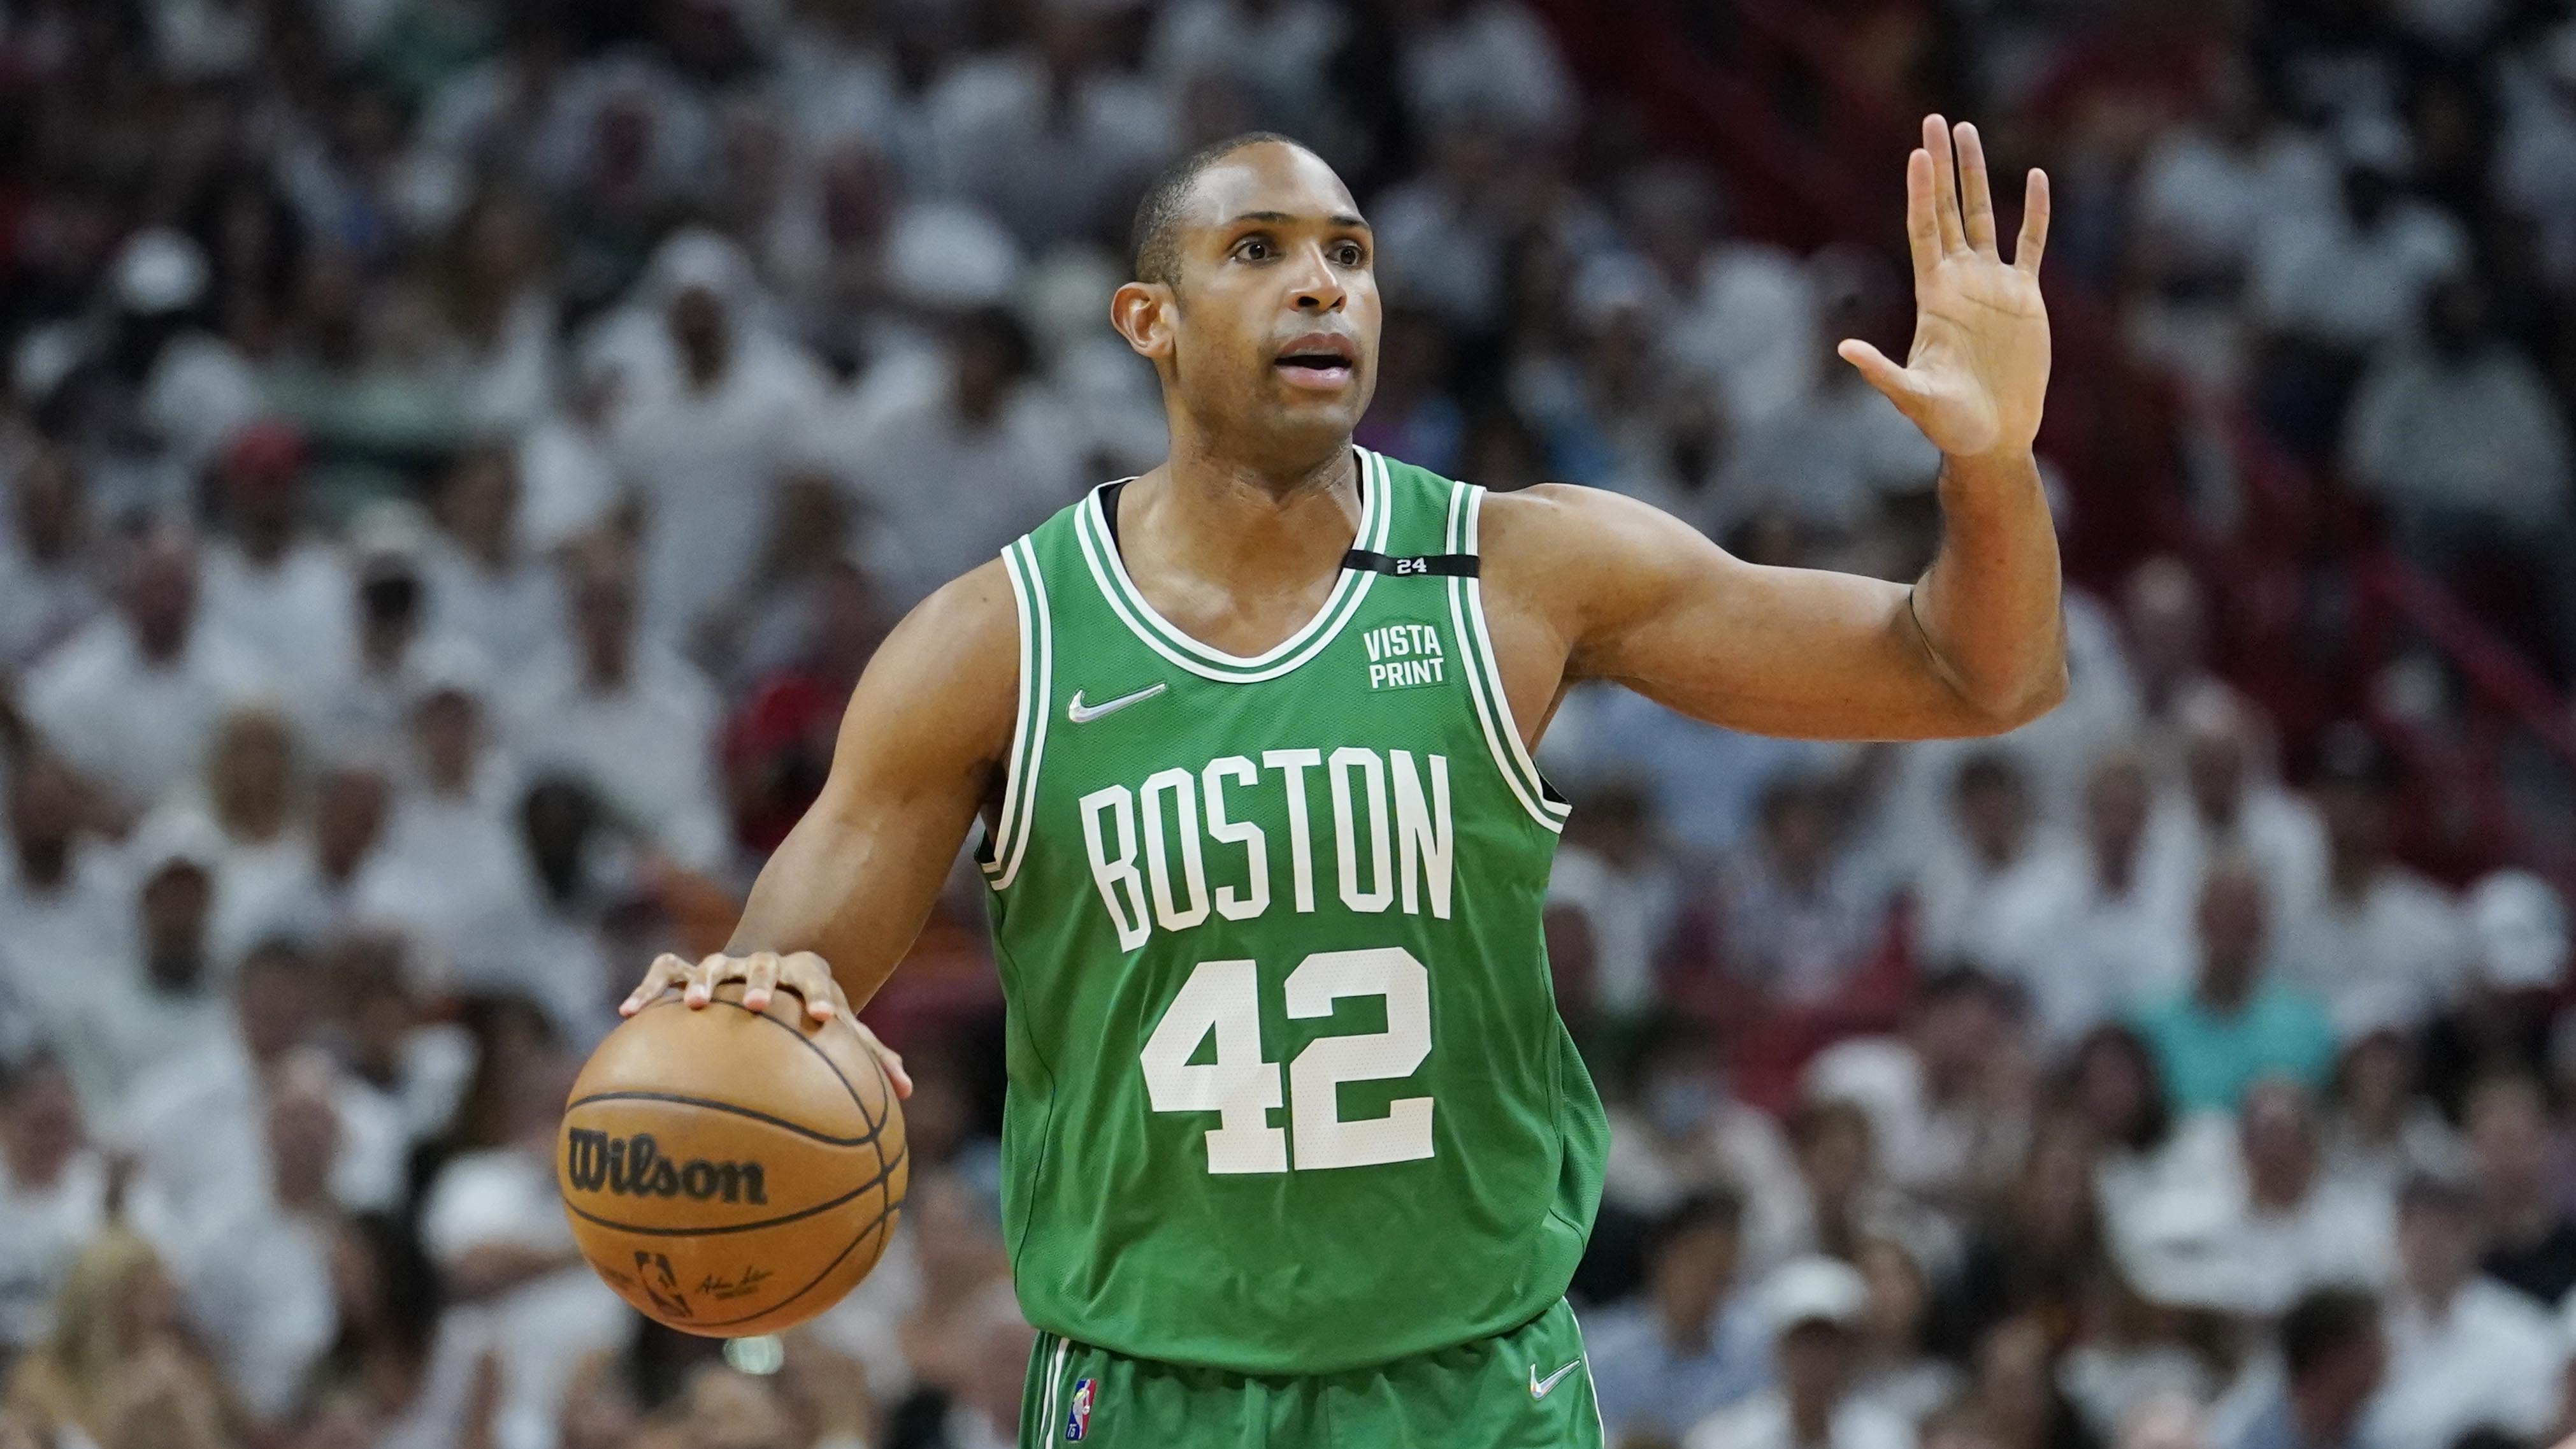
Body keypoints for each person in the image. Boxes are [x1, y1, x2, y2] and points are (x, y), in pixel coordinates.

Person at [622, 124, 2066, 1446]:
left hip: (1472, 1379)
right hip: (1145, 1386)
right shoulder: (998, 641)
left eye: (1349, 256)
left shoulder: (1516, 569)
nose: (1320, 287)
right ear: (1149, 322)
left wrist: (1990, 467)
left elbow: (1970, 673)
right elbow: (781, 978)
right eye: (1258, 250)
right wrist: (736, 1015)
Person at [2363, 1175, 2566, 1449]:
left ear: (2473, 1236)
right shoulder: (2368, 1335)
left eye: (2443, 1232)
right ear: (2397, 1236)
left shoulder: (2524, 1332)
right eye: (2417, 1230)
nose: (2428, 1247)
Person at [2130, 862, 2337, 1116]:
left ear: (2264, 928)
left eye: (2245, 920)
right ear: (2198, 920)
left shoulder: (2306, 1026)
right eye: (2222, 917)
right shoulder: (2150, 1027)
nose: (2232, 933)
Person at [1583, 1191, 1772, 1443]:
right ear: (1659, 1256)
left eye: (1721, 1270)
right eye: (1697, 1262)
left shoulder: (1755, 1352)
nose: (1706, 1281)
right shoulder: (1597, 1349)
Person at [1683, 1256, 1917, 1449]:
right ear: (1779, 1349)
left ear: (1851, 1351)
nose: (1815, 1360)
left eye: (1827, 1343)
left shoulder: (1889, 1439)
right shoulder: (1723, 1439)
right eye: (1803, 1344)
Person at [2226, 1287, 2385, 1449]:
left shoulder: (2366, 1432)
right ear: (2329, 1357)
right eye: (2368, 1346)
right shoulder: (2245, 1435)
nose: (2383, 1357)